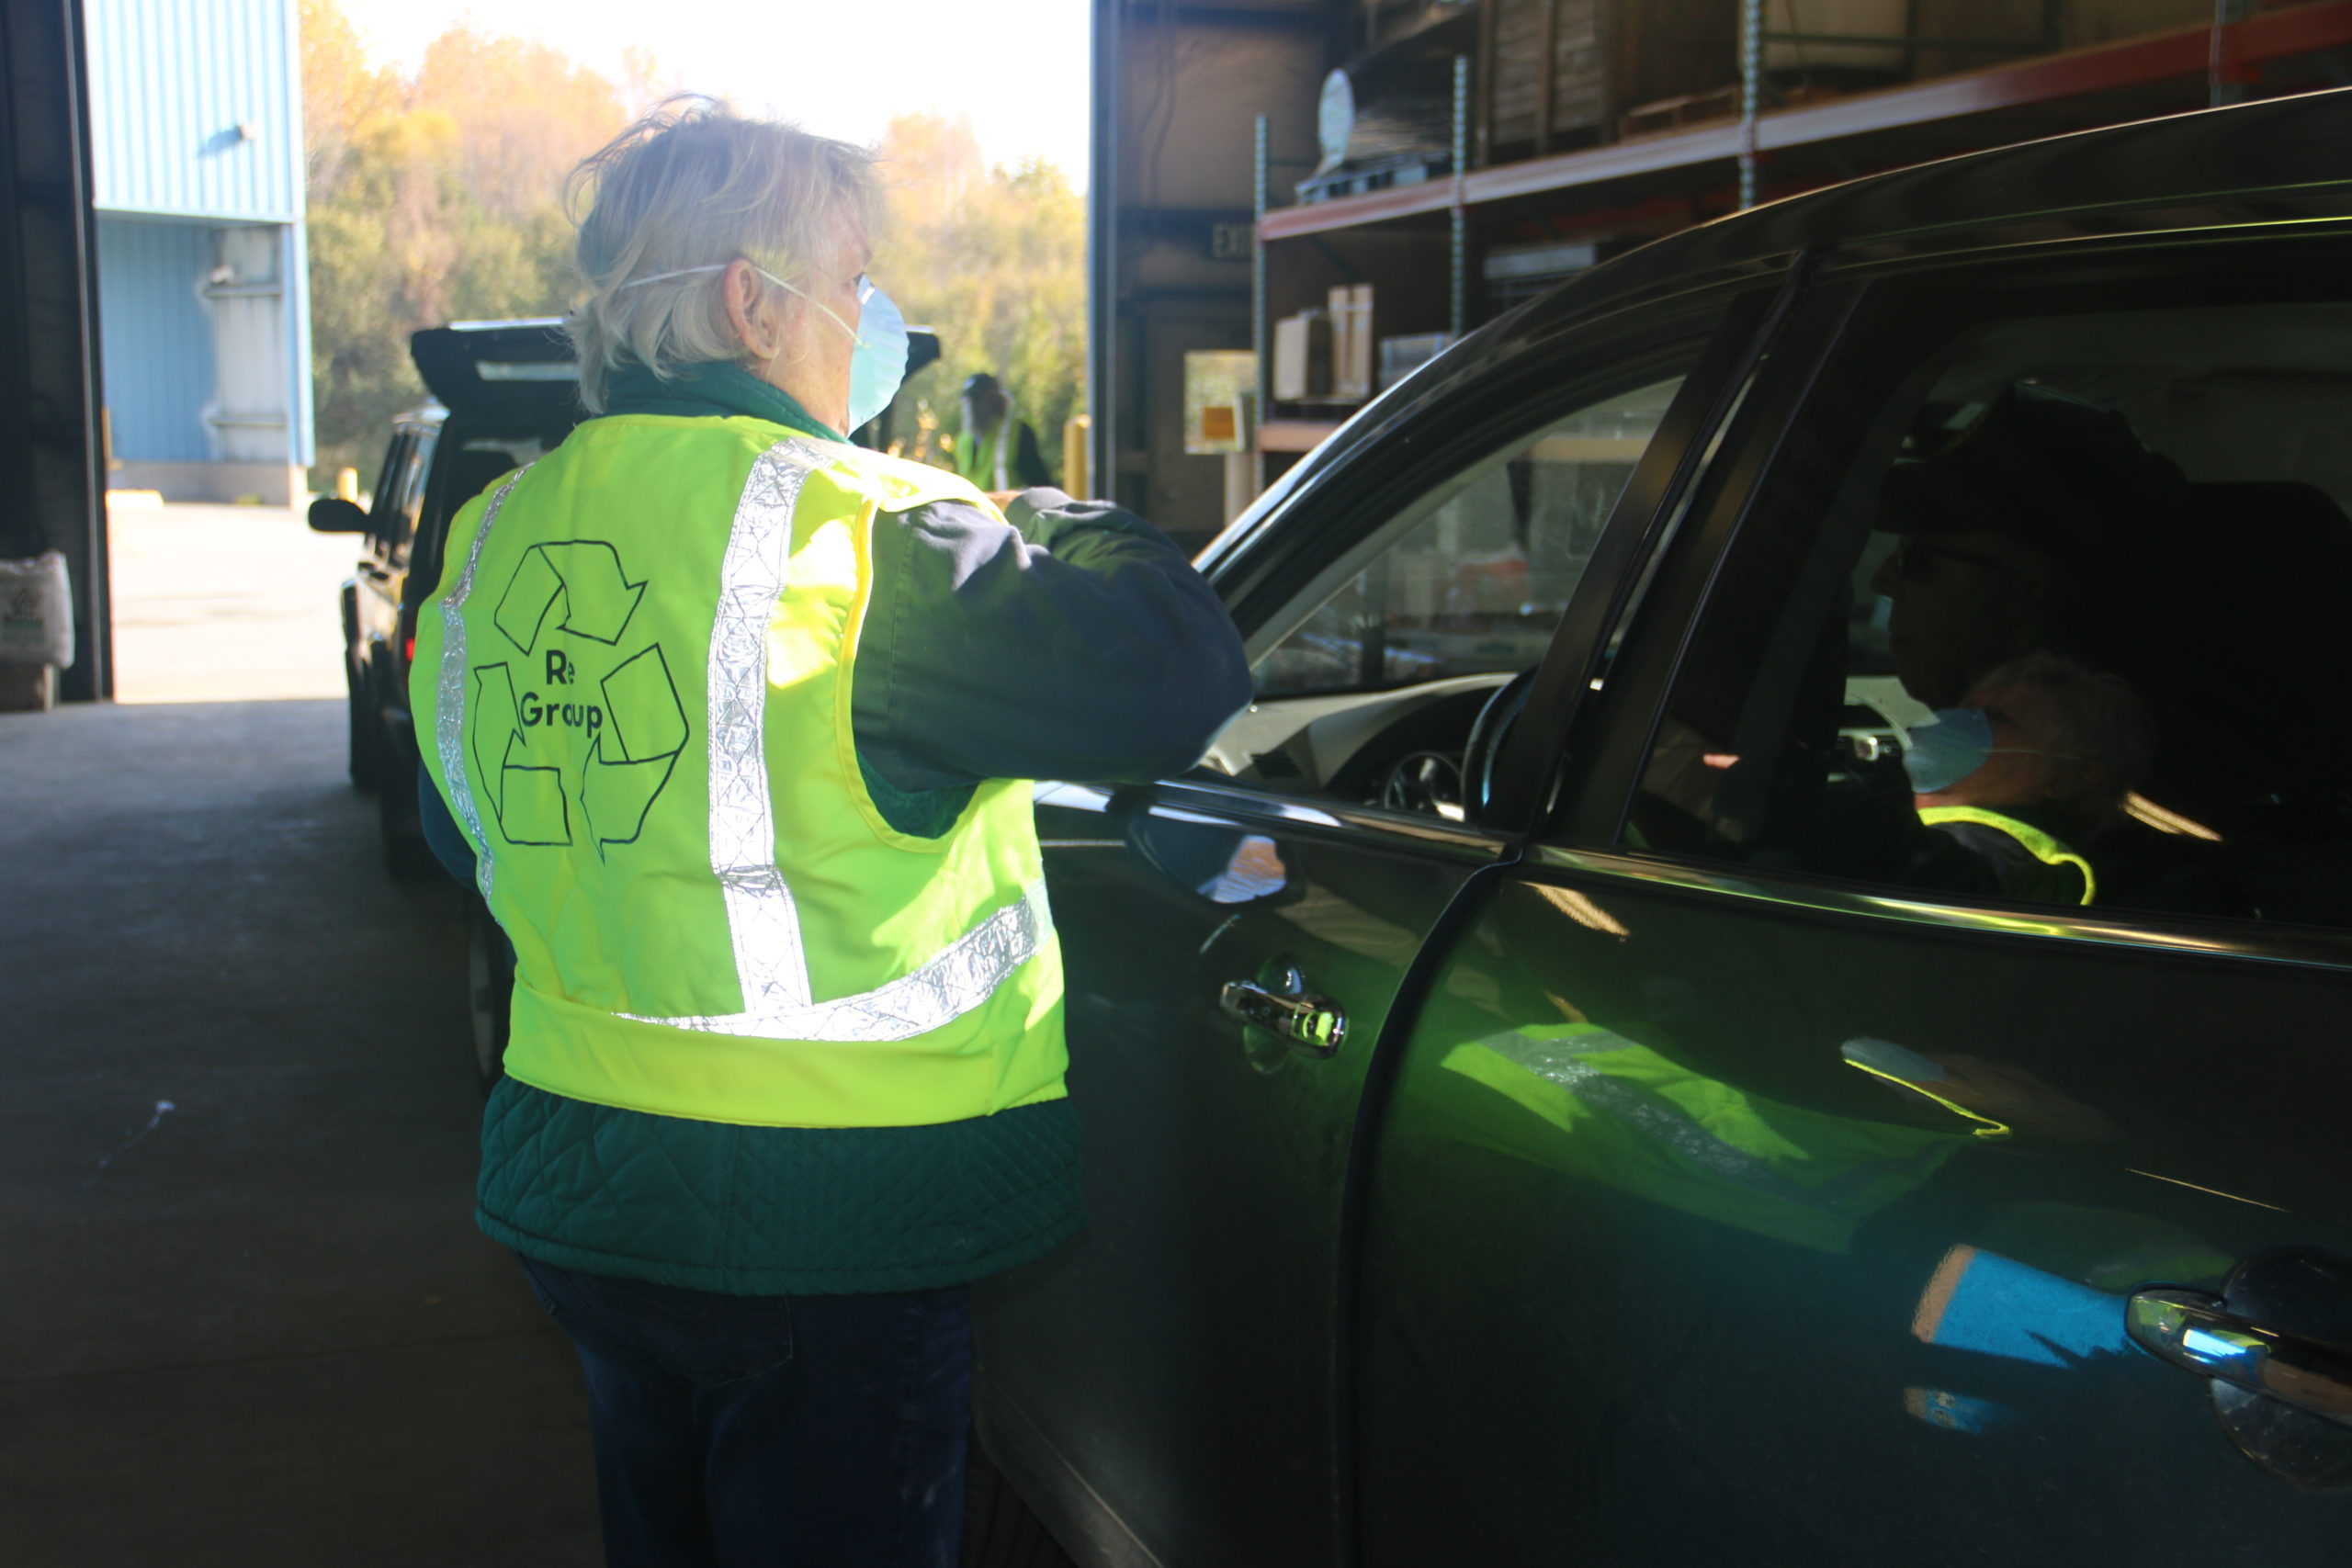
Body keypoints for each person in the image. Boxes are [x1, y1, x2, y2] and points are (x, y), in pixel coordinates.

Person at [408, 98, 1251, 1568]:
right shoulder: (867, 538)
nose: (872, 315)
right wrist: (1076, 520)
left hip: (586, 1202)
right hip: (824, 1225)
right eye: (854, 277)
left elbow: (458, 827)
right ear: (752, 297)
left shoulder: (492, 539)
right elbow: (1173, 678)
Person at [1902, 652, 2154, 905]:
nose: (1957, 724)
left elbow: (1934, 874)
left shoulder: (2025, 859)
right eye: (1966, 709)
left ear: (2067, 777)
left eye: (1995, 717)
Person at [951, 370, 1052, 491]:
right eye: (971, 400)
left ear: (996, 399)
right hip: (974, 509)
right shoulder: (963, 441)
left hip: (1010, 507)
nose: (973, 406)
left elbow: (1040, 483)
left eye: (979, 398)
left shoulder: (1016, 432)